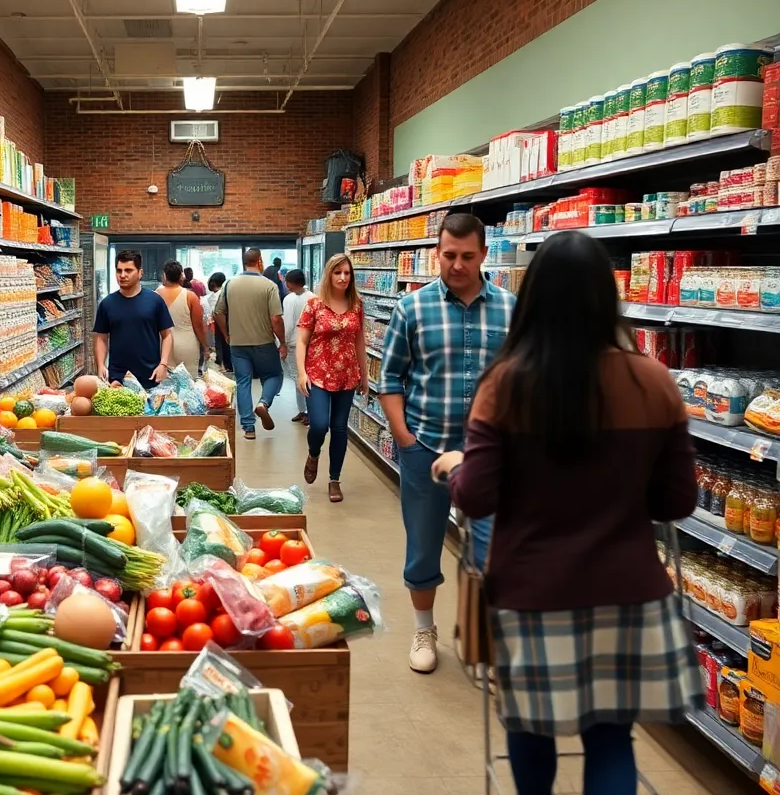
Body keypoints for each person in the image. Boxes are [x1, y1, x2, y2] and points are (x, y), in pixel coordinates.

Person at [433, 231, 701, 795]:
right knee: (611, 739)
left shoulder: (505, 385)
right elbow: (678, 502)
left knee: (530, 732)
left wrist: (456, 467)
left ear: (532, 300)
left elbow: (478, 497)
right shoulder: (655, 382)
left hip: (533, 589)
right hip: (628, 589)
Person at [376, 213, 515, 674]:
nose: (456, 265)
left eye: (467, 256)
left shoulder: (511, 310)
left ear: (484, 254)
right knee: (423, 546)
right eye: (449, 255)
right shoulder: (411, 309)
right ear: (437, 253)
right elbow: (390, 378)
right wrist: (405, 438)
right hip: (427, 448)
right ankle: (424, 628)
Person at [296, 255, 366, 502]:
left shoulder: (357, 304)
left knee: (339, 429)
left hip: (347, 375)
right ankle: (313, 453)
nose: (343, 277)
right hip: (318, 373)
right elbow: (302, 341)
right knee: (319, 425)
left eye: (347, 273)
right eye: (338, 273)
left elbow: (359, 341)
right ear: (329, 275)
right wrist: (302, 373)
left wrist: (364, 376)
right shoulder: (314, 305)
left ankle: (334, 480)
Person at [215, 249, 287, 439]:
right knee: (274, 375)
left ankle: (248, 428)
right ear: (260, 261)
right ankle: (263, 403)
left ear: (244, 262)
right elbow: (276, 318)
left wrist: (227, 334)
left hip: (237, 344)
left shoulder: (230, 284)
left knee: (243, 382)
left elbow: (218, 312)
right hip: (264, 343)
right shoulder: (269, 285)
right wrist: (283, 342)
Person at [93, 250, 174, 389]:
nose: (122, 275)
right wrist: (100, 365)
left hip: (150, 375)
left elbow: (167, 335)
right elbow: (101, 338)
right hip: (118, 377)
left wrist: (163, 364)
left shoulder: (155, 301)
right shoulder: (107, 304)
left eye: (128, 270)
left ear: (140, 273)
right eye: (119, 271)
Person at [155, 260, 208, 376]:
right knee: (189, 385)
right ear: (181, 276)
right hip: (187, 345)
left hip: (161, 346)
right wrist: (205, 345)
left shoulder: (154, 296)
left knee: (163, 386)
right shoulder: (190, 296)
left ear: (164, 275)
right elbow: (198, 325)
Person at [281, 269, 314, 424]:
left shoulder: (288, 299)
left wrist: (282, 343)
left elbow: (287, 324)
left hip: (294, 344)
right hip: (312, 343)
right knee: (309, 377)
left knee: (298, 378)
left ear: (291, 283)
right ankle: (306, 411)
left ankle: (305, 411)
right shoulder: (314, 298)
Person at [204, 272, 232, 372]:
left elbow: (214, 313)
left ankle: (222, 366)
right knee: (227, 346)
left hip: (218, 324)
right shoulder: (227, 293)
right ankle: (228, 366)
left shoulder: (212, 297)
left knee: (220, 346)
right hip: (229, 323)